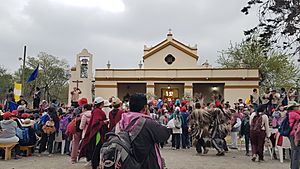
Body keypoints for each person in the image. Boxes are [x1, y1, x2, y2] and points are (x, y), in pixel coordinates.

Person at [116, 93, 170, 169]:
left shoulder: (120, 122)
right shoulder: (147, 123)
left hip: (126, 164)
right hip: (147, 164)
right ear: (145, 107)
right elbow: (164, 134)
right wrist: (149, 116)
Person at [79, 97, 108, 169]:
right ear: (101, 103)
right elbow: (96, 123)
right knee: (97, 148)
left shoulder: (96, 111)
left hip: (97, 132)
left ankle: (95, 163)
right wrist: (104, 122)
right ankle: (95, 164)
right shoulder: (97, 111)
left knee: (97, 148)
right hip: (98, 133)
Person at [287, 101, 300, 169]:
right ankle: (295, 167)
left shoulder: (290, 113)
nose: (298, 107)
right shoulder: (294, 114)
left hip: (292, 134)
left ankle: (293, 166)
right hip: (295, 134)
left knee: (293, 150)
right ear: (293, 107)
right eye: (297, 106)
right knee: (296, 151)